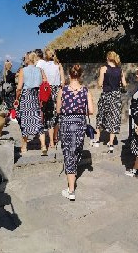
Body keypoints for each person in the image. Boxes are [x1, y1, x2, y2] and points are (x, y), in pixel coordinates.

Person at [56, 64, 94, 201]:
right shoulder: (85, 90)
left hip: (66, 123)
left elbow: (58, 110)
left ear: (69, 75)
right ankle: (72, 181)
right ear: (80, 75)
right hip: (80, 124)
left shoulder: (63, 91)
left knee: (68, 153)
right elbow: (90, 111)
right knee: (76, 151)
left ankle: (71, 190)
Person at [95, 51, 128, 152]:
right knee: (114, 117)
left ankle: (97, 140)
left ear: (108, 58)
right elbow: (124, 84)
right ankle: (111, 143)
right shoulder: (120, 70)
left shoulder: (104, 69)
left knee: (101, 115)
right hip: (116, 96)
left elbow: (100, 84)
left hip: (106, 95)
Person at [16, 52, 48, 155]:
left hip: (26, 96)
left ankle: (24, 146)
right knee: (38, 119)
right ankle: (43, 145)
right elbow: (45, 82)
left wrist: (17, 98)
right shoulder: (40, 70)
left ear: (27, 59)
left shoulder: (23, 71)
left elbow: (19, 87)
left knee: (25, 120)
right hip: (36, 96)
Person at [37, 49, 66, 146]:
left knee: (49, 116)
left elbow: (37, 72)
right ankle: (55, 137)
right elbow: (63, 81)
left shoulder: (42, 64)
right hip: (57, 90)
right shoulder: (58, 64)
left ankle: (51, 142)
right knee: (56, 115)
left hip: (47, 90)